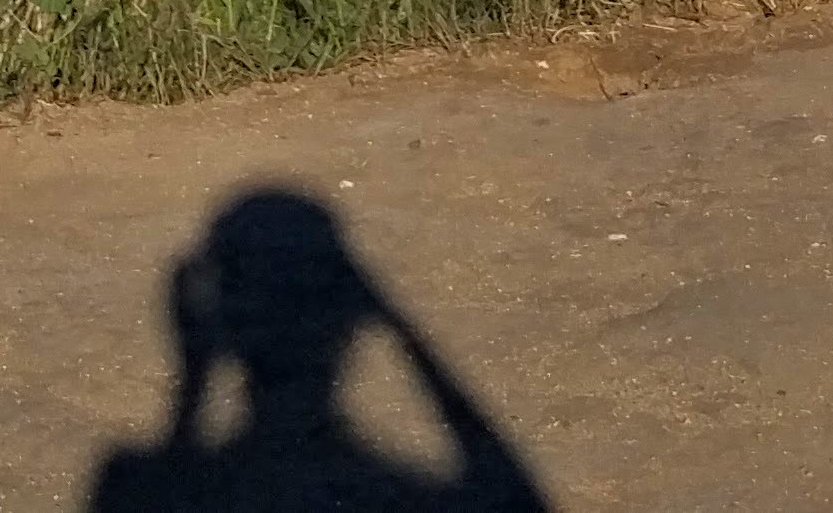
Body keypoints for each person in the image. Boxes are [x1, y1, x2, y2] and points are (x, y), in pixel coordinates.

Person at [82, 187, 551, 513]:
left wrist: (191, 392)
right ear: (352, 326)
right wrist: (403, 330)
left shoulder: (134, 481)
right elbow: (511, 477)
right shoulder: (413, 491)